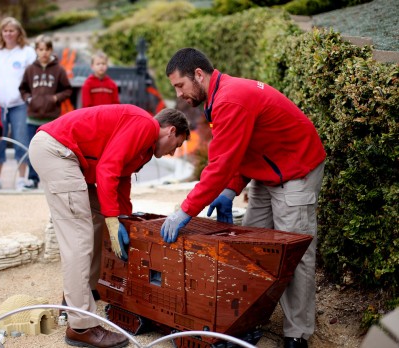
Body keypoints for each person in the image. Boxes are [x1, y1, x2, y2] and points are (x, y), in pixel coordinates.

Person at [161, 48, 326, 348]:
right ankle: (249, 320)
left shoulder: (230, 99)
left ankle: (297, 334)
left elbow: (220, 164)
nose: (179, 94)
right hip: (269, 169)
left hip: (295, 168)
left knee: (294, 253)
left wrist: (185, 211)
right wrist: (230, 189)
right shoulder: (219, 97)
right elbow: (241, 148)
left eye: (180, 85)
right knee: (252, 249)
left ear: (198, 74)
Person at [28, 105, 190, 348]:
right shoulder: (146, 126)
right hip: (58, 151)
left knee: (94, 220)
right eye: (176, 145)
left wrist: (122, 218)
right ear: (170, 131)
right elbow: (107, 169)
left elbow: (121, 179)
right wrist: (113, 221)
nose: (171, 153)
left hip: (62, 152)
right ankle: (82, 326)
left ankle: (82, 294)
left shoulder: (145, 148)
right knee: (78, 236)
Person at [0, 17, 36, 190]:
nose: (8, 34)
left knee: (22, 141)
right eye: (5, 30)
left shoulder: (27, 51)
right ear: (1, 33)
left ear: (19, 32)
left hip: (19, 104)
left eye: (12, 30)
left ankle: (21, 179)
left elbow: (33, 75)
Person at [19, 35, 72, 190]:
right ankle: (33, 179)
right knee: (32, 150)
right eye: (40, 49)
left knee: (53, 150)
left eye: (47, 49)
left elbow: (68, 90)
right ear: (36, 50)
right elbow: (23, 88)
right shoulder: (30, 69)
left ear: (51, 50)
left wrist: (56, 98)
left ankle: (54, 179)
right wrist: (29, 99)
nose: (44, 52)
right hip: (33, 117)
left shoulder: (58, 69)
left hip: (52, 118)